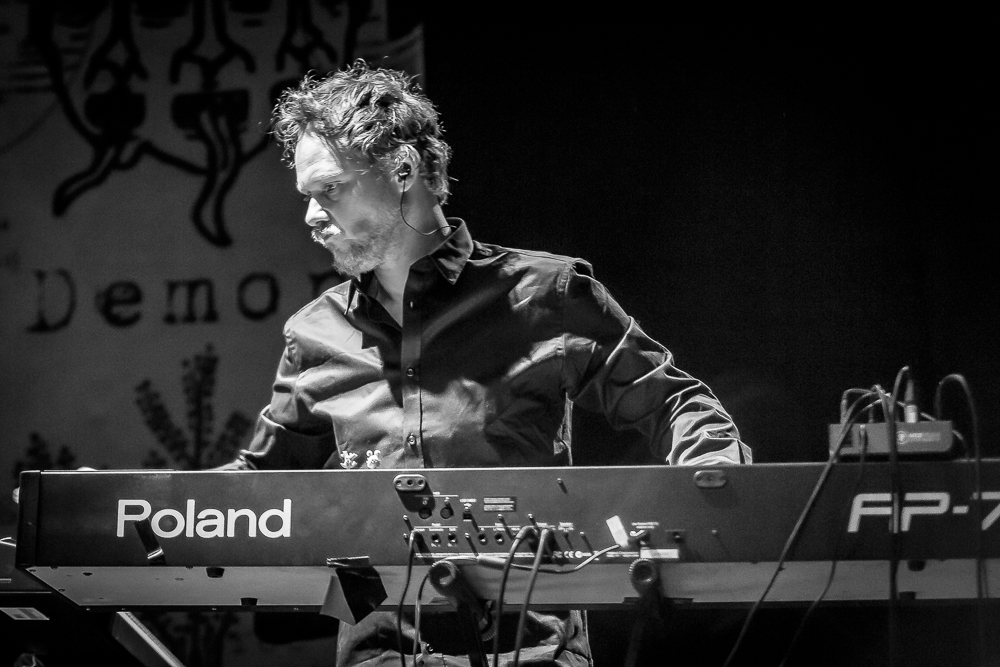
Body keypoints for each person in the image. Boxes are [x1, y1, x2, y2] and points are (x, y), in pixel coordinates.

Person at [225, 59, 751, 667]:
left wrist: (717, 495)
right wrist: (143, 512)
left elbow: (675, 402)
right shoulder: (314, 332)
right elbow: (251, 491)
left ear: (403, 170)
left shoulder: (545, 294)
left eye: (330, 190)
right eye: (308, 196)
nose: (312, 216)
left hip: (532, 653)